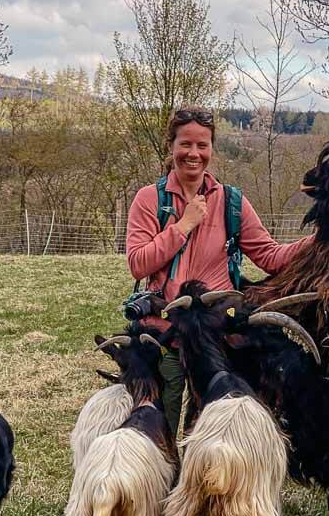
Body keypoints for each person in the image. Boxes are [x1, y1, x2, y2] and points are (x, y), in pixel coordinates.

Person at [126, 107, 312, 436]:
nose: (193, 154)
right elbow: (138, 262)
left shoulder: (231, 202)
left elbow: (270, 256)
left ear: (212, 148)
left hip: (218, 340)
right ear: (171, 146)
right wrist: (184, 225)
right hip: (165, 338)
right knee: (161, 436)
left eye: (202, 145)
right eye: (185, 144)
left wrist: (320, 239)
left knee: (217, 437)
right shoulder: (149, 200)